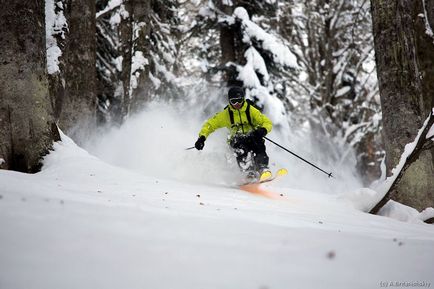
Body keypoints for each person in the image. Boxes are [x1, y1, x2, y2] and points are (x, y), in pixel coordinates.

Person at [194, 86, 273, 180]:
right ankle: (248, 171)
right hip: (237, 138)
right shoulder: (226, 114)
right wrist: (202, 138)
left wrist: (263, 130)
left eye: (239, 100)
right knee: (239, 146)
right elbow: (210, 124)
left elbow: (267, 122)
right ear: (229, 101)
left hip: (252, 135)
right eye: (233, 101)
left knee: (258, 144)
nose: (237, 104)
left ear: (243, 99)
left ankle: (262, 167)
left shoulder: (250, 110)